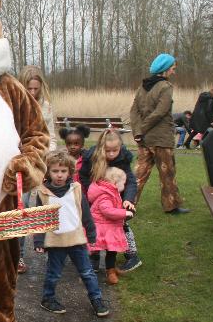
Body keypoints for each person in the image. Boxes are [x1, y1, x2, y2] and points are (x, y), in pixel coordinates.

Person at [33, 151, 109, 317]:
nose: (59, 175)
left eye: (63, 171)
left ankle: (96, 299)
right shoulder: (42, 192)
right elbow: (39, 218)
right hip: (56, 241)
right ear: (47, 172)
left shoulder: (76, 189)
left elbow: (85, 212)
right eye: (55, 171)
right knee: (53, 273)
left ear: (69, 172)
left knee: (87, 272)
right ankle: (48, 298)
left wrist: (91, 233)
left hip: (76, 240)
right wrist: (39, 241)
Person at [129, 53, 189, 214]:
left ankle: (126, 204)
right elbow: (160, 112)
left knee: (138, 174)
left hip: (144, 139)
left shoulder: (142, 87)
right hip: (161, 139)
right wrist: (140, 130)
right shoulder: (166, 87)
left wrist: (137, 132)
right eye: (173, 69)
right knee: (167, 173)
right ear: (165, 69)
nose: (173, 72)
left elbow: (133, 112)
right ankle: (171, 206)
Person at [79, 129, 141, 273]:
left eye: (115, 150)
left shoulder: (123, 158)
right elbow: (83, 176)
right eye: (108, 150)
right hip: (95, 197)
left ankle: (132, 255)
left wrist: (128, 199)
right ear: (101, 147)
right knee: (93, 225)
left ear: (120, 147)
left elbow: (130, 180)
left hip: (117, 197)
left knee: (121, 223)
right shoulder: (91, 157)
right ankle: (93, 258)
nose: (112, 154)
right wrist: (93, 193)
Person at [15, 66, 57, 275]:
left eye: (36, 89)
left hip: (39, 164)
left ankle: (50, 245)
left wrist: (51, 158)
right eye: (29, 88)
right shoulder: (13, 105)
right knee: (18, 207)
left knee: (38, 205)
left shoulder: (46, 108)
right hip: (18, 163)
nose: (32, 93)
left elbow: (52, 137)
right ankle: (17, 255)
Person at [87, 167, 133, 286]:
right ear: (114, 182)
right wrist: (124, 213)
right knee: (101, 249)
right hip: (102, 227)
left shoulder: (111, 193)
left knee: (112, 250)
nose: (125, 185)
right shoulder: (105, 196)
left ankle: (111, 269)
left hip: (109, 227)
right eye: (123, 182)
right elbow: (108, 211)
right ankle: (93, 269)